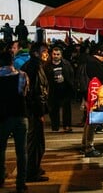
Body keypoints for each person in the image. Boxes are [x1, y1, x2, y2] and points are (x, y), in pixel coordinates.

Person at [0, 50, 30, 193]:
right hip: (20, 115)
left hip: (2, 117)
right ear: (13, 60)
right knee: (22, 151)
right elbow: (24, 93)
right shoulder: (22, 76)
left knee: (1, 149)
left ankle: (0, 178)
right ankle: (21, 183)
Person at [21, 41, 50, 183]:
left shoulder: (34, 65)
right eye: (44, 51)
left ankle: (34, 168)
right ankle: (31, 172)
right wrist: (40, 113)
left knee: (36, 142)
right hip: (33, 111)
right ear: (36, 53)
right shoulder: (34, 67)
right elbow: (37, 93)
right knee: (36, 143)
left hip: (31, 110)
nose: (47, 54)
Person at [81, 44, 103, 158]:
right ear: (99, 52)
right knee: (93, 120)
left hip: (89, 92)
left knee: (89, 119)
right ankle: (89, 147)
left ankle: (85, 144)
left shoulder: (90, 60)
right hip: (92, 93)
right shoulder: (93, 63)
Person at [43, 46, 75, 132]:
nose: (56, 56)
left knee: (66, 109)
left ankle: (67, 126)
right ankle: (55, 126)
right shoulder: (47, 65)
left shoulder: (66, 64)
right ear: (51, 54)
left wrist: (67, 81)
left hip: (65, 90)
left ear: (61, 55)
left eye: (58, 54)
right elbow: (44, 77)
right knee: (53, 110)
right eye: (54, 54)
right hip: (53, 90)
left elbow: (71, 75)